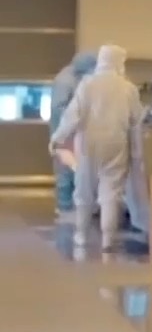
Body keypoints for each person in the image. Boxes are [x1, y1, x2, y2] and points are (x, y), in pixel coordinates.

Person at [50, 44, 143, 244]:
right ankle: (108, 239)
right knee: (111, 193)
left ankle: (81, 235)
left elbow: (72, 116)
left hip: (88, 144)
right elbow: (136, 123)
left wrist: (58, 137)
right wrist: (137, 153)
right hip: (116, 145)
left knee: (84, 191)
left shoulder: (87, 84)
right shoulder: (129, 88)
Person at [49, 50, 98, 218]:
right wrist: (76, 121)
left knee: (77, 170)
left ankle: (75, 208)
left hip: (74, 133)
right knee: (65, 172)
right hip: (64, 133)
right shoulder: (65, 80)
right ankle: (64, 208)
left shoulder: (78, 78)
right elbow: (59, 108)